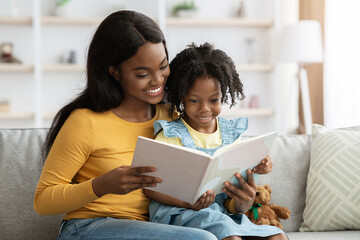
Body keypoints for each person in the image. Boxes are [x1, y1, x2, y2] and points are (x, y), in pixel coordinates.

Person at [33, 11, 257, 240]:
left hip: (160, 226)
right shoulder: (86, 121)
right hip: (89, 228)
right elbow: (42, 200)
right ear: (114, 72)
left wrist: (241, 202)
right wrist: (101, 185)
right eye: (143, 74)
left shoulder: (173, 118)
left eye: (162, 67)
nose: (158, 80)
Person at [144, 43, 288, 240]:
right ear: (181, 97)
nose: (204, 108)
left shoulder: (231, 133)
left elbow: (234, 199)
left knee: (277, 236)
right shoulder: (171, 134)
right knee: (229, 235)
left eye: (214, 100)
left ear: (224, 96)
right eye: (194, 100)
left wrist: (258, 166)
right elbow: (150, 188)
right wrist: (189, 203)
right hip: (180, 212)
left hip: (222, 213)